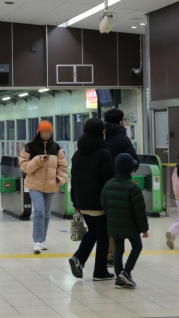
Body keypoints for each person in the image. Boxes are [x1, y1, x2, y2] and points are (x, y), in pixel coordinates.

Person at [69, 118, 115, 281]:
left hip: (83, 202)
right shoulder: (104, 153)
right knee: (103, 235)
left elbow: (73, 180)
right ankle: (100, 271)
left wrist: (75, 201)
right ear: (100, 132)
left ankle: (78, 259)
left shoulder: (77, 153)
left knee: (94, 232)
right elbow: (109, 181)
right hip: (100, 204)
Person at [19, 120, 68, 254]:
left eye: (49, 132)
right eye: (44, 131)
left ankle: (42, 239)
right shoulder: (30, 147)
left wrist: (59, 180)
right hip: (35, 185)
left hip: (51, 186)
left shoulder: (56, 148)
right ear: (39, 132)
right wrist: (38, 161)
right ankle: (37, 241)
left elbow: (63, 167)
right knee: (39, 210)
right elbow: (25, 167)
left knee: (46, 214)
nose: (47, 134)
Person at [101, 153, 149, 289]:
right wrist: (144, 229)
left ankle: (118, 277)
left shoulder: (108, 185)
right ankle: (126, 272)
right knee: (137, 246)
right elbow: (139, 211)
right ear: (131, 170)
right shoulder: (133, 188)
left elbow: (104, 205)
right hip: (131, 226)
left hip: (114, 225)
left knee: (118, 250)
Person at [104, 108, 139, 264]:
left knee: (103, 220)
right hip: (118, 183)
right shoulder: (122, 138)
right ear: (121, 122)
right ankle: (111, 255)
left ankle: (105, 253)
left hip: (101, 184)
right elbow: (134, 160)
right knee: (115, 218)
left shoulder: (100, 136)